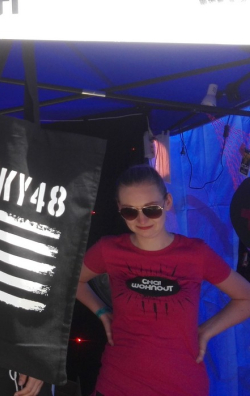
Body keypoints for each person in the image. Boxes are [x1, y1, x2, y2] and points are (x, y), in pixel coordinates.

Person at [76, 165, 250, 395]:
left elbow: (246, 297)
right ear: (119, 209)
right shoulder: (109, 250)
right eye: (130, 211)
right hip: (117, 383)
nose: (142, 219)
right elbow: (73, 282)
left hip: (182, 384)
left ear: (167, 202)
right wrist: (100, 311)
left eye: (151, 209)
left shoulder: (195, 254)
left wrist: (206, 331)